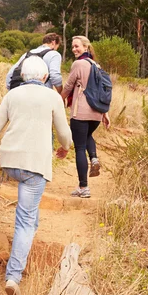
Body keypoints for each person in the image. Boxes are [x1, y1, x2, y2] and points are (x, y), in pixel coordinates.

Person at [0, 56, 72, 295]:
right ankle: (13, 276)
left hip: (9, 162)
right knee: (25, 220)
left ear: (23, 76)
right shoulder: (52, 96)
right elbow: (64, 133)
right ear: (44, 77)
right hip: (34, 165)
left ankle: (26, 247)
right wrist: (65, 147)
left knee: (30, 217)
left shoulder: (12, 95)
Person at [61, 36, 110, 199]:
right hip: (96, 112)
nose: (74, 49)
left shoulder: (78, 64)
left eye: (77, 46)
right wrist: (105, 112)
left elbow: (68, 85)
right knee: (88, 136)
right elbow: (101, 91)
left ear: (86, 47)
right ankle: (94, 158)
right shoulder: (97, 65)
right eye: (73, 47)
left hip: (81, 111)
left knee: (80, 147)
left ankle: (83, 187)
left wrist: (58, 98)